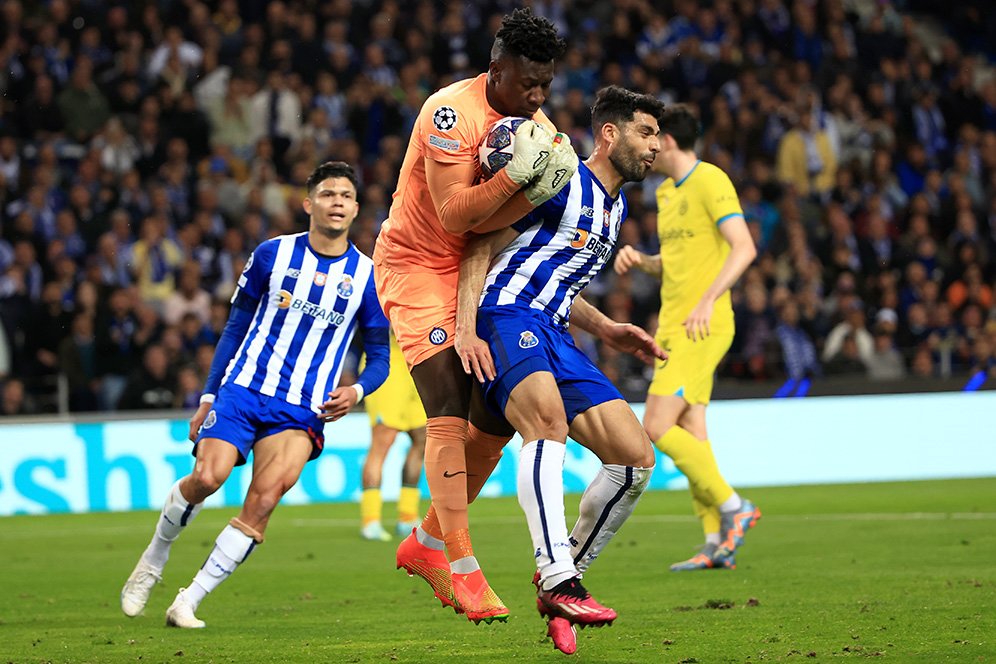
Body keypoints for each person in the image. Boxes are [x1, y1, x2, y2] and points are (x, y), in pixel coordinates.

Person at [119, 161, 390, 628]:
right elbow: (235, 327)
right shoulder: (272, 255)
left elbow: (381, 355)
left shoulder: (368, 277)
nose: (337, 203)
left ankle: (189, 600)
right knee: (207, 477)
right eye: (328, 195)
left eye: (346, 196)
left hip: (303, 408)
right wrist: (207, 395)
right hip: (244, 390)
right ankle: (154, 558)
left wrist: (358, 389)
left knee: (263, 502)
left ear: (356, 208)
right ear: (309, 204)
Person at [373, 8, 575, 624]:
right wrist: (520, 176)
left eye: (546, 86)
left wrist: (550, 185)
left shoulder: (534, 124)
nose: (537, 98)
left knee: (496, 408)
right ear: (496, 69)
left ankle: (428, 541)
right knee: (449, 401)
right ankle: (459, 563)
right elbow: (456, 215)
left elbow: (507, 227)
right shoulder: (449, 113)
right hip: (413, 264)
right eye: (527, 85)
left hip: (475, 270)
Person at [456, 86, 667, 654]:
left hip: (556, 330)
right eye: (646, 133)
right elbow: (482, 244)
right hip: (504, 314)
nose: (655, 146)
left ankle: (565, 568)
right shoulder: (561, 178)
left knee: (635, 459)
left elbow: (560, 283)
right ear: (609, 133)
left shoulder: (615, 207)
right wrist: (465, 325)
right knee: (546, 424)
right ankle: (558, 580)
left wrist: (608, 330)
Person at [614, 104, 762, 572]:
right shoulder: (666, 194)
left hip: (702, 324)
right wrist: (643, 260)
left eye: (653, 137)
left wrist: (707, 300)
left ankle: (735, 506)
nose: (649, 146)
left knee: (654, 430)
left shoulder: (710, 181)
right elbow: (678, 262)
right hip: (674, 325)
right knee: (693, 431)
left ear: (670, 141)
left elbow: (745, 246)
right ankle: (717, 541)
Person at [359, 331, 428, 541]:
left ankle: (407, 516)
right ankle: (370, 520)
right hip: (388, 362)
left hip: (418, 361)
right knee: (383, 441)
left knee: (424, 439)